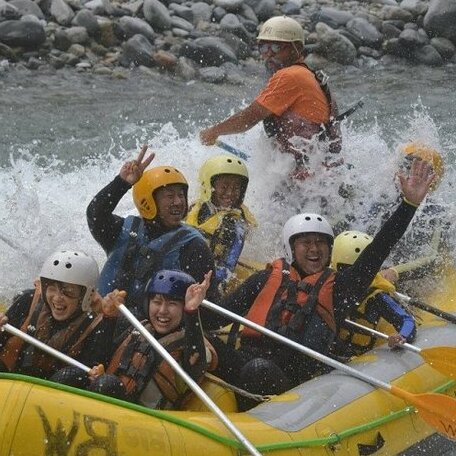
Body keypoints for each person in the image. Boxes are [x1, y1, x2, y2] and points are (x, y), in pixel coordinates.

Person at [203, 158, 434, 409]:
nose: (314, 249)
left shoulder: (339, 290)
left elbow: (377, 251)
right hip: (244, 361)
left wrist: (408, 205)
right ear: (292, 248)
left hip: (291, 377)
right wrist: (190, 309)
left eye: (321, 243)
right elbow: (215, 318)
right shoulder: (264, 279)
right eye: (306, 243)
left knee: (259, 370)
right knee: (190, 340)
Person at [86, 145, 219, 326]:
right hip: (101, 318)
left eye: (181, 195)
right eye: (169, 196)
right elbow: (95, 214)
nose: (178, 202)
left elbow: (205, 304)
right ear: (148, 200)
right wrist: (122, 183)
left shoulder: (193, 246)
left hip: (148, 331)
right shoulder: (122, 230)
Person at [200, 16, 342, 180]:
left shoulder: (290, 76)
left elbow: (250, 117)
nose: (268, 54)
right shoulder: (312, 76)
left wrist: (213, 132)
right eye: (263, 47)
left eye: (276, 47)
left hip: (306, 177)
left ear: (297, 48)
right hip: (318, 174)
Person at [93, 270, 217, 408]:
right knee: (79, 378)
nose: (163, 310)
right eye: (157, 302)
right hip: (111, 401)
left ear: (183, 308)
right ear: (147, 303)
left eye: (172, 304)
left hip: (145, 420)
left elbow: (197, 365)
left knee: (107, 385)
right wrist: (109, 319)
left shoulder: (194, 345)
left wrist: (192, 310)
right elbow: (100, 358)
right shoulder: (138, 329)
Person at [0, 250, 117, 387]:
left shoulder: (98, 324)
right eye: (52, 288)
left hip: (56, 398)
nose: (57, 298)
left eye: (68, 291)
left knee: (74, 375)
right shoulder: (28, 301)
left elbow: (94, 368)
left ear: (85, 296)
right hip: (10, 384)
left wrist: (96, 375)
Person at [330, 230, 416, 358]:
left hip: (360, 357)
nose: (354, 277)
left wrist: (401, 336)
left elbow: (407, 320)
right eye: (346, 269)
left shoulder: (376, 298)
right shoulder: (324, 284)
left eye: (363, 270)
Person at [186, 154, 257, 290]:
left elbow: (226, 269)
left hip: (211, 281)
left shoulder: (236, 226)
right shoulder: (195, 207)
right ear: (209, 185)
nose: (230, 193)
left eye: (236, 188)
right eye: (224, 187)